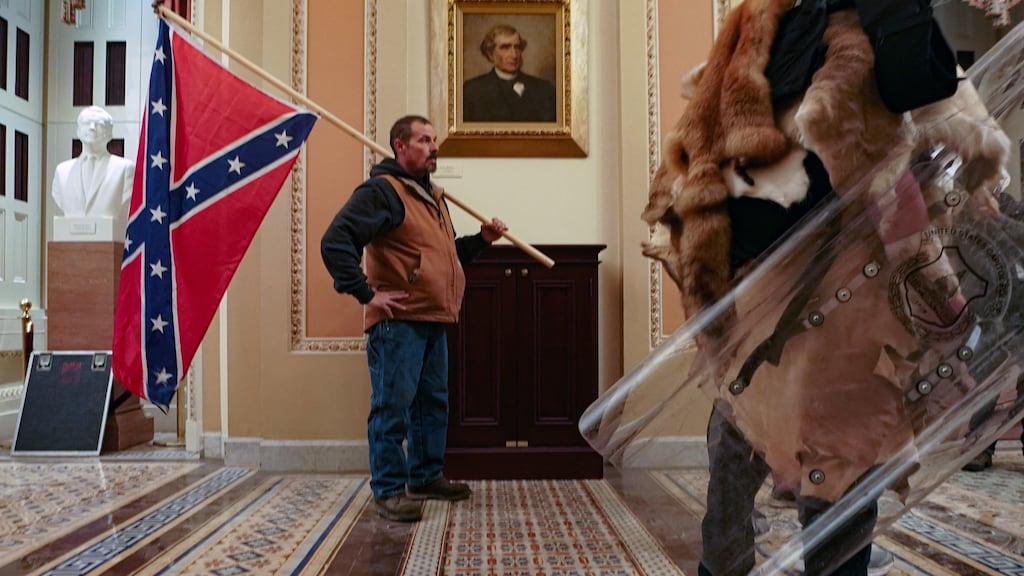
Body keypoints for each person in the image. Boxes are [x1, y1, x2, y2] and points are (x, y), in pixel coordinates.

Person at [320, 115, 508, 523]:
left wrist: (482, 241)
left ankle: (424, 477)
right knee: (392, 408)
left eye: (435, 140)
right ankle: (388, 490)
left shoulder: (431, 197)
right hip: (397, 324)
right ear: (399, 146)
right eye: (424, 140)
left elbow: (444, 257)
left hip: (431, 319)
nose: (434, 146)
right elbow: (335, 241)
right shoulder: (382, 192)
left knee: (431, 404)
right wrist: (367, 293)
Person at [51, 106, 134, 233]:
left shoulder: (124, 169)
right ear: (78, 131)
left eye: (99, 124)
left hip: (109, 241)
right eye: (86, 123)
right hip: (68, 244)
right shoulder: (62, 171)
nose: (92, 127)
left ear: (110, 133)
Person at [462, 24, 556, 123]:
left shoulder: (545, 89)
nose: (514, 55)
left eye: (517, 47)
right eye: (505, 47)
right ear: (491, 54)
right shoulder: (472, 91)